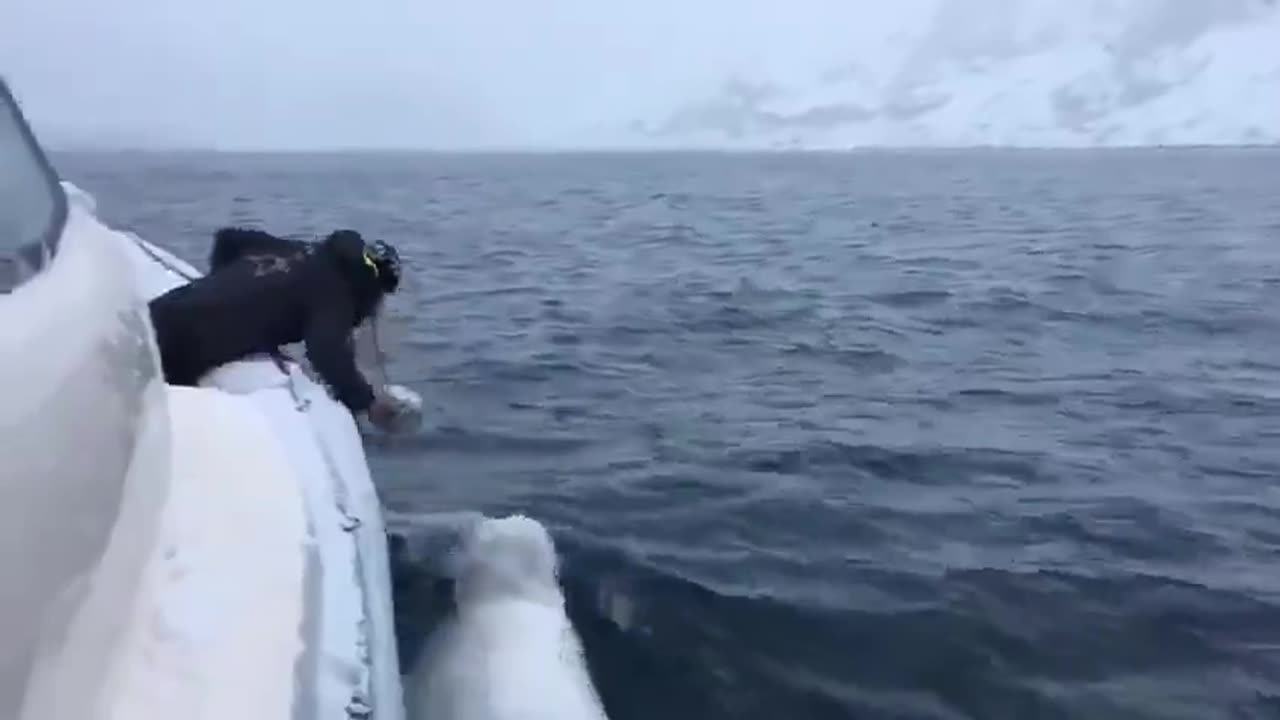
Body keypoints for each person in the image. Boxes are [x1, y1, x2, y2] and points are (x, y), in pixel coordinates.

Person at [148, 226, 408, 431]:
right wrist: (367, 403)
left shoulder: (302, 250)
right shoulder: (335, 296)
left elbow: (228, 239)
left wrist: (220, 288)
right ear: (372, 286)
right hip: (181, 344)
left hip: (160, 310)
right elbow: (326, 351)